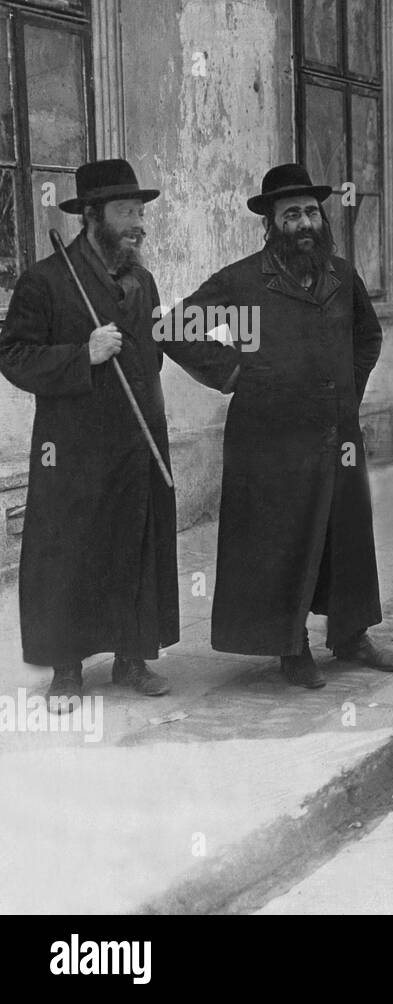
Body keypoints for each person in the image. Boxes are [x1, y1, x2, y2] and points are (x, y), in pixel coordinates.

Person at [0, 159, 240, 706]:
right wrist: (80, 353)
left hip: (137, 437)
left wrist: (234, 372)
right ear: (91, 215)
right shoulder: (45, 280)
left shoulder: (142, 279)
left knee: (135, 546)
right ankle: (67, 670)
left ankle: (132, 660)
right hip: (75, 444)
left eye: (139, 212)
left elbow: (163, 339)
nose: (137, 223)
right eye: (124, 212)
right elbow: (12, 354)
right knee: (71, 551)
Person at [165, 164, 393, 688]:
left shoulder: (342, 276)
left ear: (322, 218)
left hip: (337, 432)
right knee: (281, 539)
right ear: (272, 223)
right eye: (290, 213)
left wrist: (348, 391)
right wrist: (232, 371)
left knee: (347, 537)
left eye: (311, 212)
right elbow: (175, 328)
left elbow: (368, 337)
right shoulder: (245, 279)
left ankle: (351, 635)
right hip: (269, 438)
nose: (303, 222)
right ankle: (289, 647)